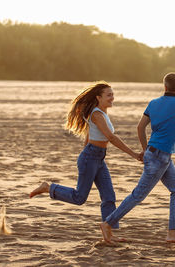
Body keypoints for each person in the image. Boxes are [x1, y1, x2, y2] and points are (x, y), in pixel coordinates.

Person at [99, 72, 175, 244]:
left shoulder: (154, 103)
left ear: (164, 86)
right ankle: (108, 223)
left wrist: (145, 149)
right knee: (138, 195)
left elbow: (140, 127)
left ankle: (172, 233)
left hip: (158, 155)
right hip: (159, 157)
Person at [29, 81, 142, 236]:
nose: (112, 98)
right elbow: (110, 137)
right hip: (91, 157)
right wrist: (134, 155)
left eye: (112, 94)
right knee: (79, 197)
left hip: (97, 158)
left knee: (109, 197)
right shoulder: (96, 114)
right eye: (108, 95)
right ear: (98, 97)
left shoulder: (101, 113)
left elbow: (89, 136)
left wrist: (87, 154)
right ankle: (48, 188)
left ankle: (109, 234)